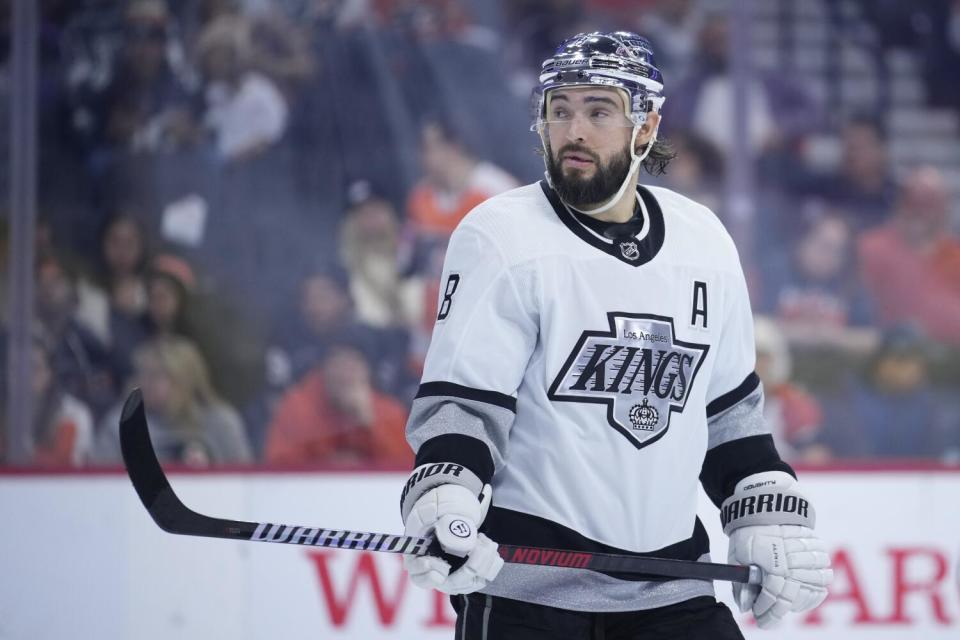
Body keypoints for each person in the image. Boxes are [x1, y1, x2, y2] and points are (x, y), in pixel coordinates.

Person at [397, 31, 832, 638]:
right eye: (560, 110)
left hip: (677, 584)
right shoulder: (500, 234)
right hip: (532, 592)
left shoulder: (703, 241)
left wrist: (762, 518)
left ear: (646, 126)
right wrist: (445, 500)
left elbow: (729, 412)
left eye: (598, 111)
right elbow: (464, 406)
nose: (574, 130)